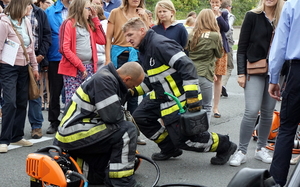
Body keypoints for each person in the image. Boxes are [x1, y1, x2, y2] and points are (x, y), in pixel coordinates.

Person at [123, 17, 236, 165]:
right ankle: (169, 148)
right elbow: (152, 80)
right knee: (141, 117)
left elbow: (187, 66)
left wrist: (193, 98)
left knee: (187, 140)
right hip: (161, 95)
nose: (127, 39)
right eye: (126, 36)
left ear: (142, 31)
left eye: (130, 35)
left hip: (178, 98)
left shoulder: (159, 44)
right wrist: (131, 91)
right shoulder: (144, 49)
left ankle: (225, 145)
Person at [54, 62, 145, 187]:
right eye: (132, 86)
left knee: (101, 174)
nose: (132, 89)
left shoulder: (109, 78)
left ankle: (92, 172)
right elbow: (113, 117)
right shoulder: (104, 80)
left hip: (82, 129)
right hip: (73, 132)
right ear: (127, 79)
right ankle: (122, 183)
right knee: (126, 130)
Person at [229, 0, 284, 167]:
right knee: (252, 110)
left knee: (268, 112)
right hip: (255, 69)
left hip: (277, 71)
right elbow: (242, 47)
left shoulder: (284, 16)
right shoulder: (252, 16)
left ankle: (261, 149)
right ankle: (242, 151)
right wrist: (240, 73)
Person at [268, 0, 300, 186]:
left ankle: (277, 182)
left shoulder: (293, 4)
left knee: (287, 129)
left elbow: (280, 44)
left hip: (297, 71)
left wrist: (274, 79)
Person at [0, 0, 39, 153]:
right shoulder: (4, 23)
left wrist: (34, 67)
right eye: (28, 5)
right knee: (10, 102)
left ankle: (17, 136)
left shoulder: (27, 22)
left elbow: (30, 48)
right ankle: (4, 139)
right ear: (20, 6)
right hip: (7, 67)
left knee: (22, 101)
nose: (31, 7)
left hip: (24, 66)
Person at [58, 0, 106, 106]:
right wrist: (80, 66)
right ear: (80, 9)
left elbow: (102, 40)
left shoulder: (89, 25)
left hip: (89, 66)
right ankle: (71, 122)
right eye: (88, 8)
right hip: (73, 69)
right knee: (73, 100)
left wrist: (95, 18)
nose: (91, 11)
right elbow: (64, 49)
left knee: (88, 100)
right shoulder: (69, 23)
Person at [105, 0, 147, 114]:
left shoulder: (143, 14)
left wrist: (145, 18)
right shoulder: (115, 12)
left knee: (134, 92)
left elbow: (147, 36)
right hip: (119, 56)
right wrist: (108, 59)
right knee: (118, 90)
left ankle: (131, 123)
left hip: (137, 56)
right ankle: (116, 119)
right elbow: (108, 38)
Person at [187, 9, 223, 125]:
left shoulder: (191, 34)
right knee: (206, 105)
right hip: (204, 73)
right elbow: (219, 54)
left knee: (191, 106)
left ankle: (191, 131)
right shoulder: (214, 36)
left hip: (189, 74)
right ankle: (203, 133)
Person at [45, 0, 72, 134]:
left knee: (73, 91)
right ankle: (54, 121)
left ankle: (72, 120)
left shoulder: (78, 8)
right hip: (56, 55)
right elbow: (45, 33)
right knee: (55, 90)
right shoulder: (50, 11)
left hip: (74, 57)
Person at [27, 2, 52, 139]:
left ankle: (36, 127)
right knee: (14, 96)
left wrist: (41, 56)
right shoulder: (10, 11)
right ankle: (14, 128)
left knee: (35, 93)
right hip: (15, 59)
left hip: (37, 57)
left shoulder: (39, 13)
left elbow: (47, 36)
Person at [209, 0, 229, 118]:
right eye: (212, 2)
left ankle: (215, 107)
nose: (214, 4)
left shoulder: (224, 14)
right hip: (208, 47)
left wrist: (218, 16)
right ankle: (205, 105)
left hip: (221, 48)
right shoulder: (206, 13)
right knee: (206, 77)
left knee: (218, 78)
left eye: (216, 2)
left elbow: (226, 28)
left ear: (220, 3)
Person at [220, 0, 235, 97]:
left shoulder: (214, 13)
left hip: (215, 43)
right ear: (228, 7)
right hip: (226, 44)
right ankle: (222, 85)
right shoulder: (229, 15)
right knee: (229, 66)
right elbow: (228, 28)